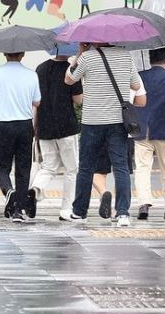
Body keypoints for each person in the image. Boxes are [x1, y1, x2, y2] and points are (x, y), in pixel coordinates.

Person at [64, 43, 142, 226]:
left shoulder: (87, 57)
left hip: (92, 121)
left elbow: (69, 79)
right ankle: (123, 213)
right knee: (121, 166)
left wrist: (80, 52)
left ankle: (79, 211)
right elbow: (136, 85)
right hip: (117, 121)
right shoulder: (126, 56)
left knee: (86, 167)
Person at [0, 52, 41, 223]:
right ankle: (18, 211)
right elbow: (37, 102)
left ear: (4, 53)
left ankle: (9, 192)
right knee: (23, 169)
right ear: (22, 54)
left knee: (1, 167)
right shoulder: (32, 75)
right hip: (24, 125)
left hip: (3, 125)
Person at [29, 51, 83, 220]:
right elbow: (79, 100)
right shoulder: (71, 69)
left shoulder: (40, 69)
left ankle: (35, 188)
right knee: (71, 169)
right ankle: (66, 209)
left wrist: (34, 127)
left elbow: (35, 102)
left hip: (45, 126)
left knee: (48, 167)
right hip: (67, 126)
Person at [133, 47, 165, 220]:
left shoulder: (140, 76)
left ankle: (143, 203)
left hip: (143, 128)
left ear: (149, 58)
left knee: (142, 168)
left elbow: (134, 99)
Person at [92, 79, 147, 220]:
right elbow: (142, 101)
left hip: (100, 125)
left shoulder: (97, 68)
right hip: (123, 128)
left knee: (98, 170)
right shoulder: (130, 71)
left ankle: (104, 192)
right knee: (121, 170)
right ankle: (121, 211)